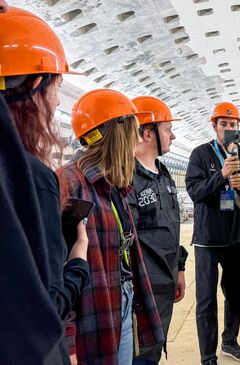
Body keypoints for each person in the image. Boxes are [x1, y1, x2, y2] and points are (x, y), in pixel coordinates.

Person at [0, 7, 90, 364]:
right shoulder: (32, 178)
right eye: (56, 87)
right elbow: (45, 306)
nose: (56, 102)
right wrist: (78, 260)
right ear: (35, 85)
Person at [58, 89, 164, 365]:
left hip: (121, 301)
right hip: (93, 313)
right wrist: (67, 341)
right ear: (115, 132)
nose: (139, 138)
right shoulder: (70, 185)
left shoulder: (114, 184)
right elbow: (57, 270)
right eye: (134, 129)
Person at [185, 101, 240, 364]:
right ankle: (208, 356)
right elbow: (195, 193)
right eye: (224, 124)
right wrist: (222, 175)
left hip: (236, 237)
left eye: (233, 125)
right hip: (207, 239)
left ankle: (230, 341)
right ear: (214, 125)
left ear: (239, 128)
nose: (229, 128)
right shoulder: (200, 155)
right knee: (206, 300)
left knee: (236, 294)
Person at [129, 96, 189, 365]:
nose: (173, 135)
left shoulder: (163, 174)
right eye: (167, 129)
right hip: (141, 293)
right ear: (146, 133)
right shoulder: (125, 179)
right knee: (138, 355)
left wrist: (179, 268)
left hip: (164, 286)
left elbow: (169, 227)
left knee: (153, 351)